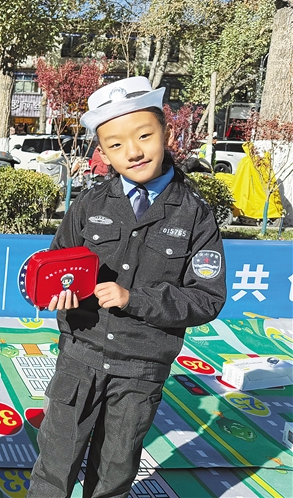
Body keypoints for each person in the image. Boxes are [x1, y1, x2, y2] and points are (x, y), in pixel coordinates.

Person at [26, 76, 226, 498]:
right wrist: (58, 294)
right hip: (80, 357)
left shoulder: (194, 214)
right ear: (102, 153)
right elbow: (57, 263)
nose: (133, 152)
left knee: (114, 474)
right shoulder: (90, 204)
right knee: (54, 466)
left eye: (144, 136)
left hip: (141, 369)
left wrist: (134, 300)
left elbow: (206, 298)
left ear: (166, 132)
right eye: (116, 144)